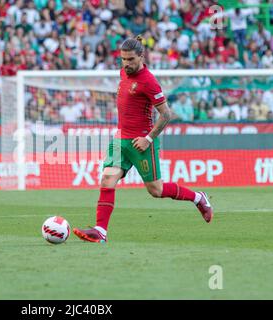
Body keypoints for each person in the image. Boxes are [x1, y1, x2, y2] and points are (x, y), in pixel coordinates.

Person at [73, 36, 214, 243]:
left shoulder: (149, 81)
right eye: (123, 59)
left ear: (142, 56)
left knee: (156, 190)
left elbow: (166, 115)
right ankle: (101, 231)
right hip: (121, 139)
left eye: (130, 59)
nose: (126, 64)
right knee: (107, 179)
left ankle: (198, 198)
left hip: (141, 143)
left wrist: (148, 138)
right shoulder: (123, 72)